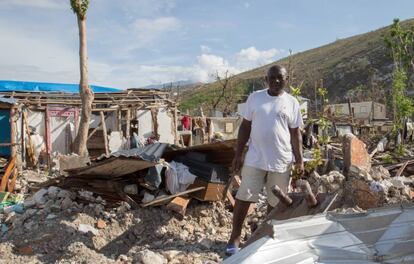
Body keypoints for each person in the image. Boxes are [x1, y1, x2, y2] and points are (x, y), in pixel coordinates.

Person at [226, 65, 304, 255]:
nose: (276, 81)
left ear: (287, 79)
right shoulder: (255, 98)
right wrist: (238, 155)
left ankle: (266, 238)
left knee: (274, 202)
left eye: (280, 77)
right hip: (255, 159)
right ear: (266, 79)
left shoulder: (292, 102)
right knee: (244, 196)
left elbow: (296, 134)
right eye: (272, 77)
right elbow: (245, 127)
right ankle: (234, 238)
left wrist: (300, 160)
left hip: (281, 160)